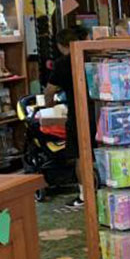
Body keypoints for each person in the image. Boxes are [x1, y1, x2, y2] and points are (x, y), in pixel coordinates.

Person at [44, 28, 85, 207]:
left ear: (61, 46)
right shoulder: (90, 56)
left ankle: (84, 194)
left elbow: (50, 90)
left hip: (77, 113)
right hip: (99, 110)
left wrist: (48, 104)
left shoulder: (62, 64)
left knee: (80, 155)